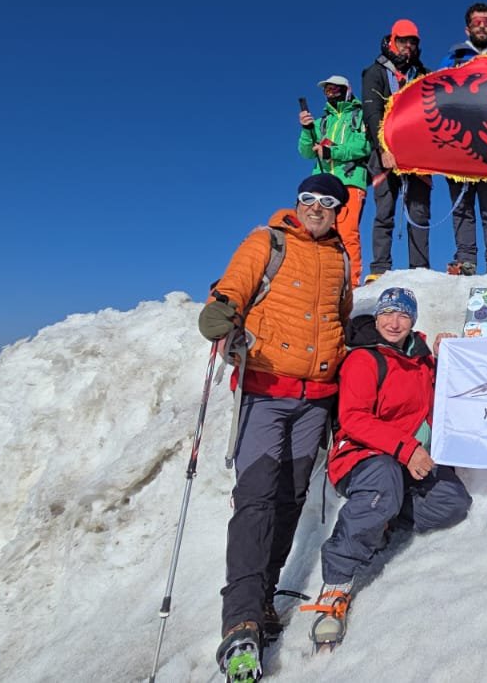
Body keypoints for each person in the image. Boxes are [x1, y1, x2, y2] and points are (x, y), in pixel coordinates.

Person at [198, 173, 354, 683]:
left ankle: (263, 598)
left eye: (327, 202)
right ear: (297, 203)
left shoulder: (340, 259)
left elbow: (339, 317)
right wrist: (222, 311)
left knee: (289, 500)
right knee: (256, 500)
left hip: (316, 401)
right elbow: (233, 288)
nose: (316, 207)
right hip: (265, 391)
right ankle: (240, 620)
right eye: (308, 199)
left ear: (338, 211)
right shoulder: (267, 241)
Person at [300, 287, 472, 647]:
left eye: (404, 315)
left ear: (413, 320)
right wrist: (407, 450)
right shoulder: (364, 358)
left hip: (405, 459)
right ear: (377, 317)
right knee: (384, 482)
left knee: (452, 502)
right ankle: (336, 584)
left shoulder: (421, 359)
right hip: (362, 455)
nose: (395, 323)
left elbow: (442, 399)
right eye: (388, 314)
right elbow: (354, 418)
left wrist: (447, 359)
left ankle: (381, 517)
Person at [439, 1, 487, 275]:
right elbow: (435, 91)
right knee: (462, 205)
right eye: (476, 23)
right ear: (467, 28)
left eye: (486, 23)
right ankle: (465, 259)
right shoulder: (452, 58)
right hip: (457, 142)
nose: (481, 27)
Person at [362, 20, 432, 280]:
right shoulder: (375, 72)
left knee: (419, 213)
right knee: (385, 211)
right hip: (385, 154)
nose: (408, 46)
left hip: (417, 156)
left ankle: (420, 270)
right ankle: (379, 269)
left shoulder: (423, 74)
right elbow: (372, 113)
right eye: (403, 41)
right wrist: (383, 149)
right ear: (392, 40)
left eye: (412, 42)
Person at [299, 75, 371, 289]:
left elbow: (363, 146)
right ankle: (321, 282)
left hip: (350, 181)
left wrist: (332, 152)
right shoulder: (321, 122)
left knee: (347, 233)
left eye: (335, 89)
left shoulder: (359, 115)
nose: (330, 93)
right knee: (318, 233)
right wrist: (306, 129)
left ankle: (351, 284)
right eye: (327, 90)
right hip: (322, 185)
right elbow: (306, 152)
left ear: (347, 90)